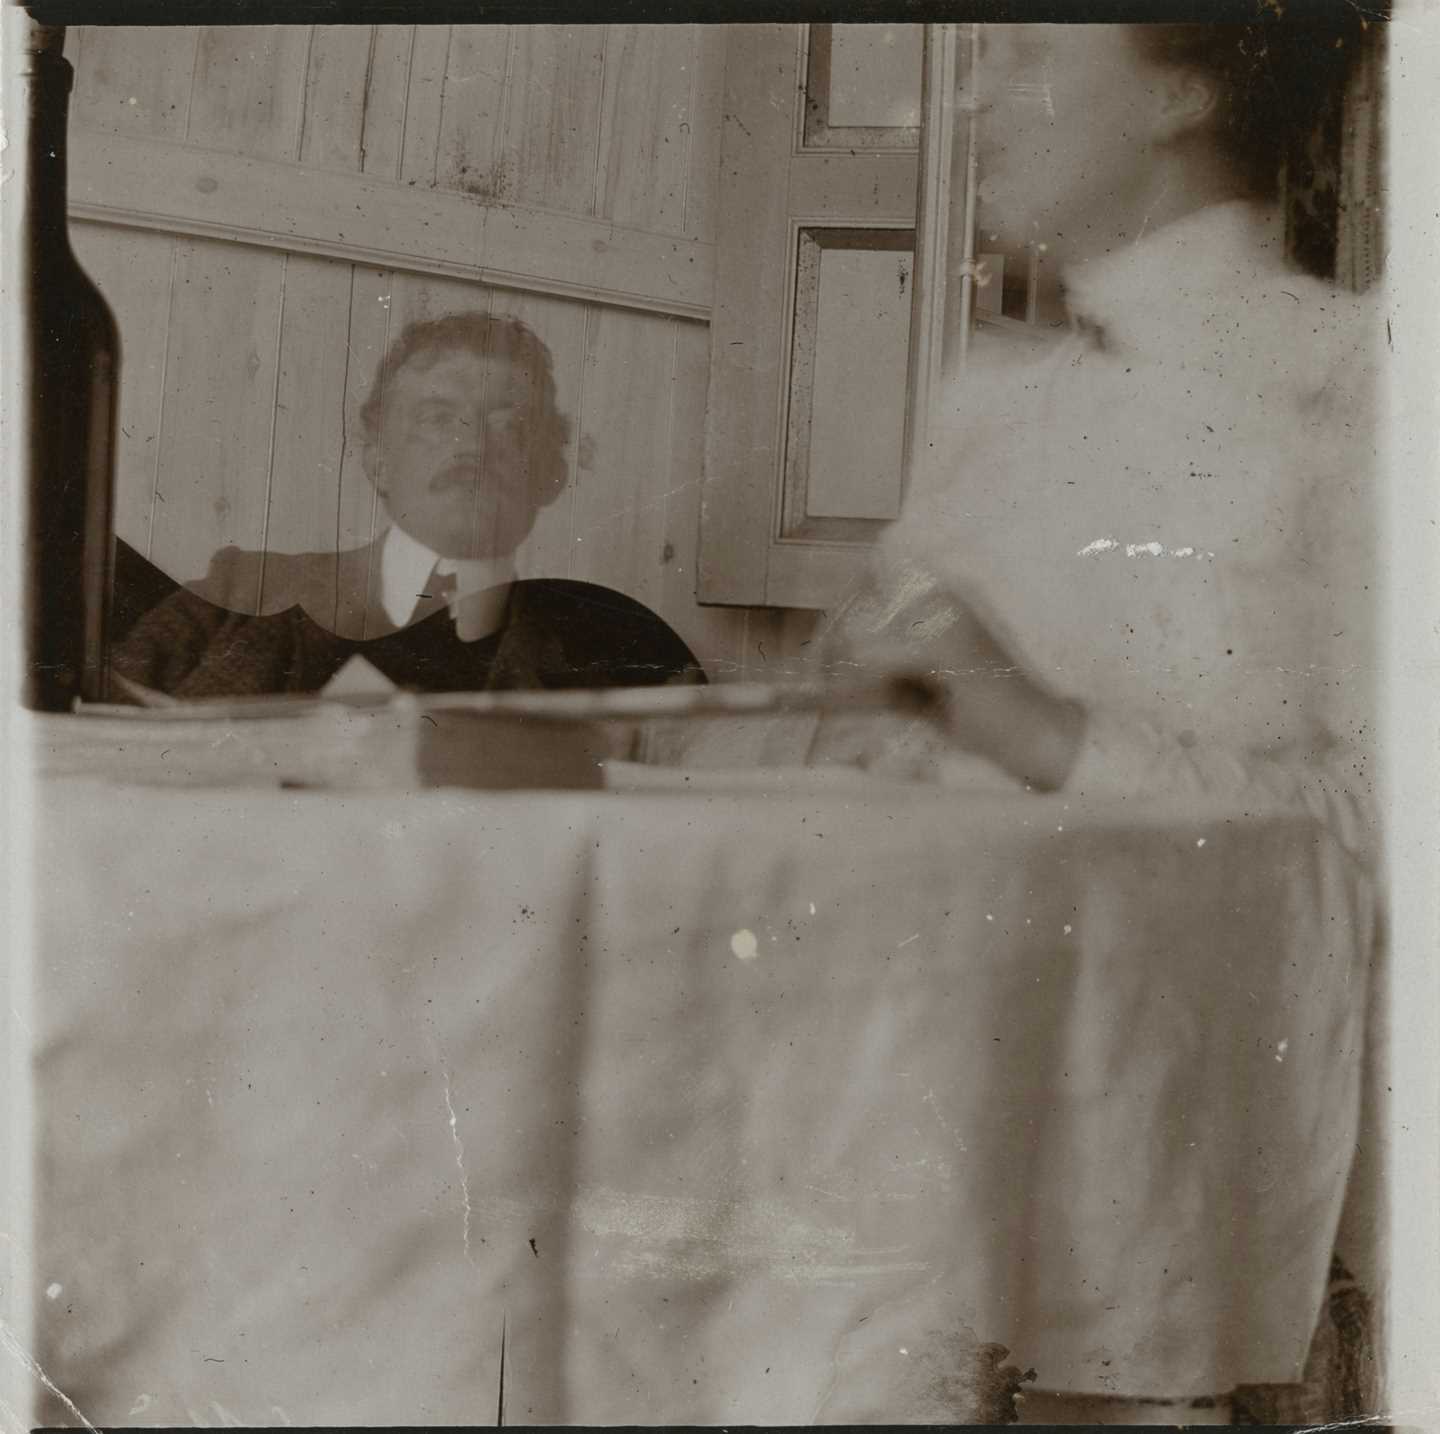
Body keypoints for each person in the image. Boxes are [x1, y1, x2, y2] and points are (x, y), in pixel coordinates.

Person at [808, 19, 1382, 1426]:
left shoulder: (1358, 387)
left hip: (1188, 1179)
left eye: (1027, 49)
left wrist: (1040, 733)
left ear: (1182, 87)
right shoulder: (989, 404)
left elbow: (1377, 833)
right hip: (926, 1143)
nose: (978, 90)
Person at [110, 313, 702, 698]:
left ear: (550, 472)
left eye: (511, 426)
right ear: (377, 459)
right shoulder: (239, 596)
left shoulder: (626, 649)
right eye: (437, 419)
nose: (473, 445)